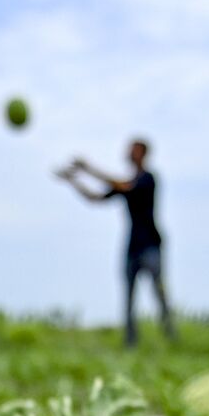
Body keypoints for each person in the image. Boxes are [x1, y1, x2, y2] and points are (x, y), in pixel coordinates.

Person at [55, 137, 176, 347]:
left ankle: (170, 335)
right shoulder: (126, 184)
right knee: (128, 298)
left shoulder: (148, 179)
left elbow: (123, 185)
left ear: (143, 153)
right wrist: (73, 181)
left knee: (159, 292)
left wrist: (88, 168)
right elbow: (95, 198)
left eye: (133, 149)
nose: (128, 152)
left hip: (151, 247)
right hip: (132, 247)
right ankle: (131, 342)